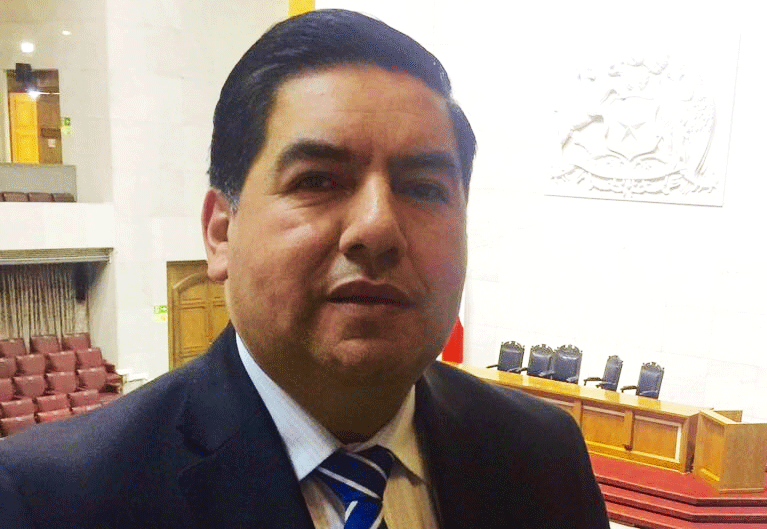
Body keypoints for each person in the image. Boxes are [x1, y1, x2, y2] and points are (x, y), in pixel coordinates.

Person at [0, 9, 609, 529]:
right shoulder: (55, 500)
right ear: (220, 233)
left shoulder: (542, 455)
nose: (377, 228)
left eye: (423, 188)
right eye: (317, 180)